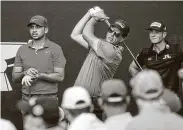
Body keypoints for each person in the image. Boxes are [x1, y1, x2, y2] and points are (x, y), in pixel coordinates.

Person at [70, 6, 130, 118]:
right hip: (78, 98)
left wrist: (95, 19)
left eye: (117, 34)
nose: (112, 35)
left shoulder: (111, 51)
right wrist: (89, 13)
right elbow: (75, 35)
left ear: (123, 39)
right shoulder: (98, 45)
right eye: (111, 30)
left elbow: (86, 33)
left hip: (92, 102)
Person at [12, 15, 66, 102]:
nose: (34, 30)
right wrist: (25, 73)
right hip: (26, 97)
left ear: (46, 30)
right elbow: (15, 77)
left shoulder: (56, 48)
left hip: (48, 98)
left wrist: (38, 75)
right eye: (32, 27)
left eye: (38, 27)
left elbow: (60, 76)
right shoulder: (22, 49)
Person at [128, 21, 183, 95]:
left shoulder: (176, 50)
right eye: (151, 32)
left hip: (171, 96)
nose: (153, 35)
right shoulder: (145, 53)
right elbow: (132, 68)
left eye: (156, 32)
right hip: (153, 96)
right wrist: (142, 82)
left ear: (164, 34)